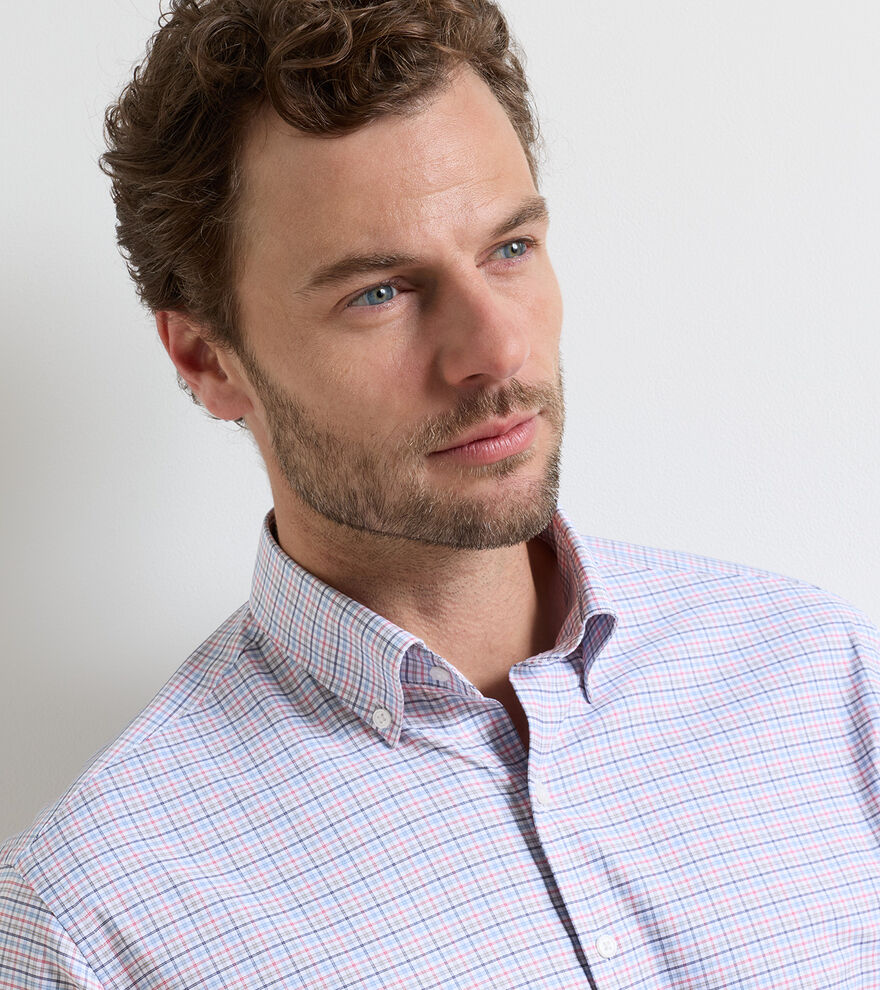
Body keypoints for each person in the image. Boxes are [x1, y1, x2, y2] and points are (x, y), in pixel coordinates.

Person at [1, 0, 878, 986]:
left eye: (510, 249)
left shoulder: (819, 679)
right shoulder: (95, 919)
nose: (496, 349)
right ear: (208, 358)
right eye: (378, 292)